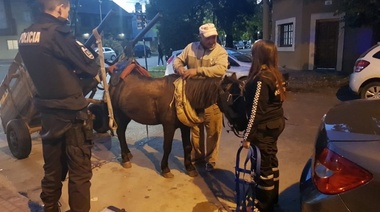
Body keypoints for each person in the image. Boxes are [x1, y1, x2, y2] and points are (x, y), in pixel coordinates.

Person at [18, 0, 99, 211]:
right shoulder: (57, 34)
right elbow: (91, 65)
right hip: (72, 115)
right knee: (80, 173)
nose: (68, 13)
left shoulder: (25, 35)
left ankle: (50, 207)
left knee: (52, 169)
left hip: (48, 114)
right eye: (68, 9)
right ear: (60, 7)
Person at [173, 23, 228, 171]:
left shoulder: (220, 52)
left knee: (213, 131)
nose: (213, 40)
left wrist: (197, 71)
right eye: (209, 38)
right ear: (201, 37)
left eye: (214, 37)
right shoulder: (190, 48)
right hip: (194, 98)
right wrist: (179, 68)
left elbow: (220, 69)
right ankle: (197, 157)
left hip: (212, 98)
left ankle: (211, 160)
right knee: (196, 130)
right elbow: (177, 60)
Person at [241, 39, 286, 212]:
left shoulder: (261, 79)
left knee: (263, 168)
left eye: (253, 52)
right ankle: (273, 199)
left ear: (258, 55)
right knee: (271, 161)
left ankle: (263, 206)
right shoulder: (275, 73)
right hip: (276, 124)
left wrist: (247, 137)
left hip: (265, 128)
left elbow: (256, 111)